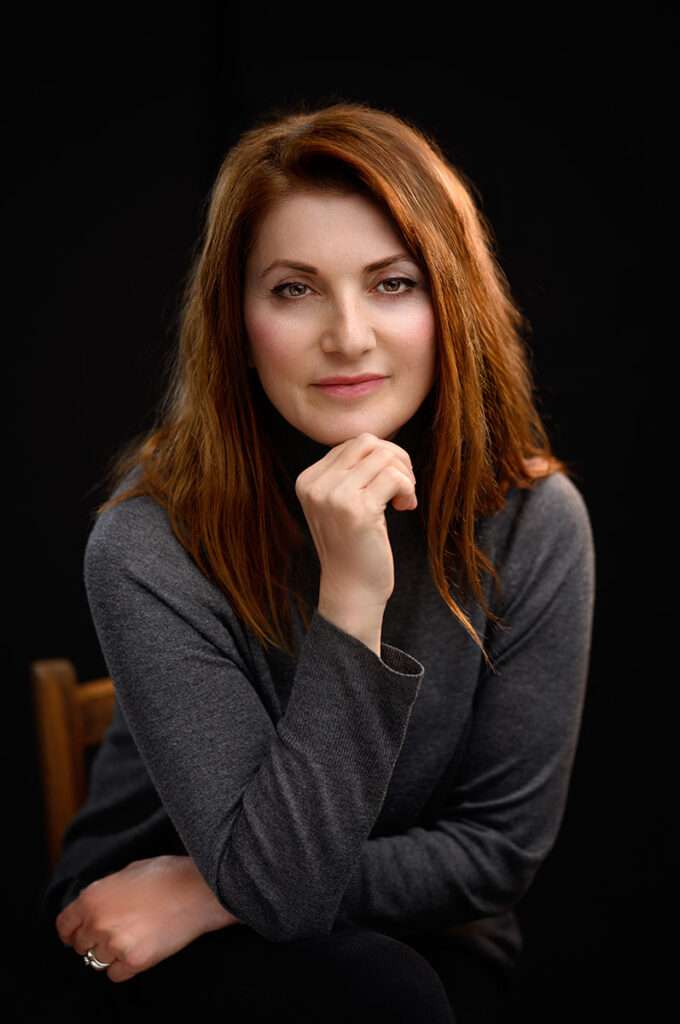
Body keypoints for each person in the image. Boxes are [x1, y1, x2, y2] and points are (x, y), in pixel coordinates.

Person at [40, 100, 595, 1022]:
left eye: (392, 283)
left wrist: (206, 891)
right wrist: (352, 599)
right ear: (236, 317)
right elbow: (283, 898)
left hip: (422, 937)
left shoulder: (533, 520)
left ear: (450, 299)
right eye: (294, 289)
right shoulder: (151, 537)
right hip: (140, 942)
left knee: (395, 986)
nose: (347, 335)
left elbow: (498, 852)